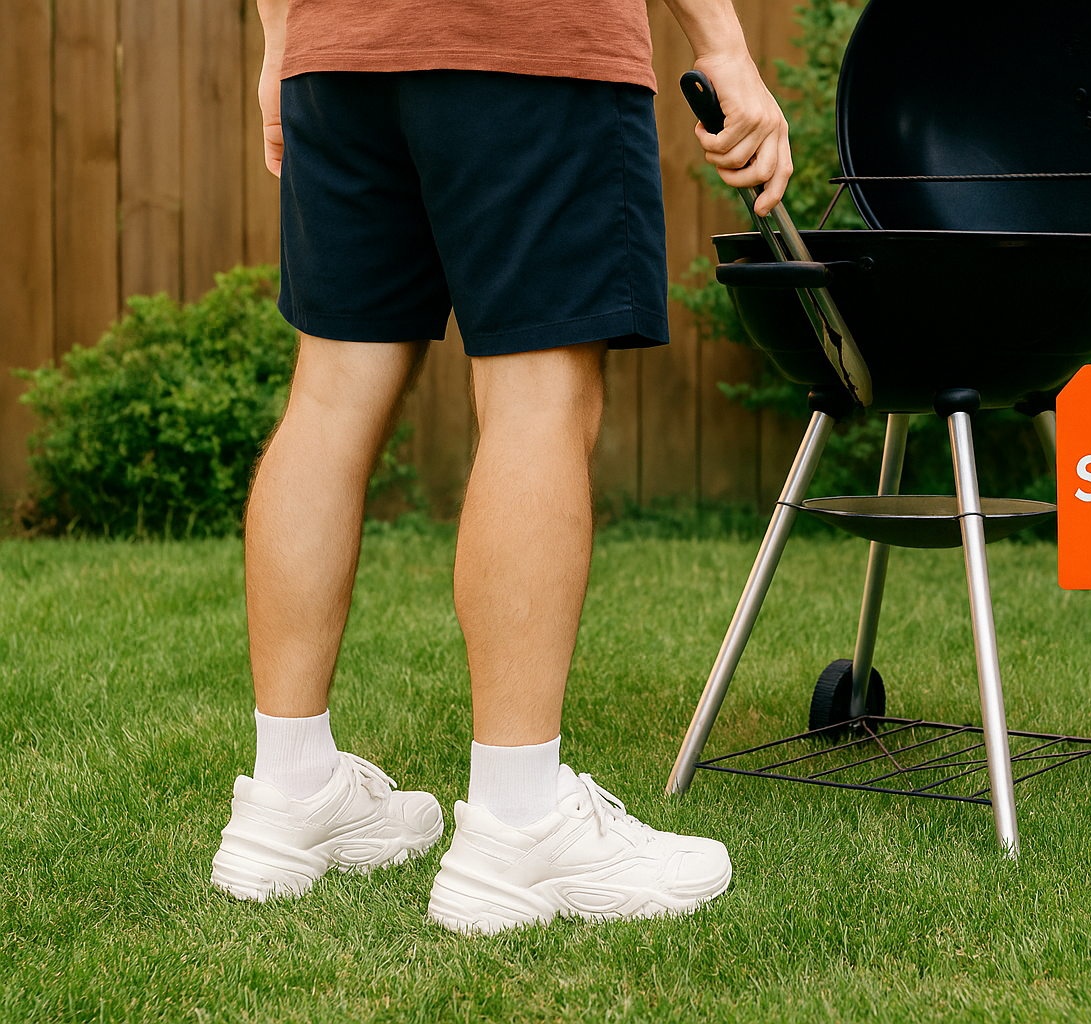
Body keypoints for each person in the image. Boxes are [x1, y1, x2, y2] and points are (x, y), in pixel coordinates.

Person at [209, 0, 791, 934]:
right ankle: (520, 825)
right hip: (530, 41)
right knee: (537, 400)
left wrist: (284, 39)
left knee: (326, 399)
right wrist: (720, 43)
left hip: (341, 48)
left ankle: (286, 795)